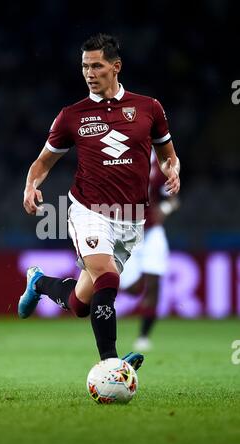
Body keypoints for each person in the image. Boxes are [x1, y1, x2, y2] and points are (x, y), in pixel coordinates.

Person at [18, 33, 180, 372]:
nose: (89, 73)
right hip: (88, 211)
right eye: (84, 66)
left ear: (116, 67)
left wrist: (172, 171)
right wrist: (31, 185)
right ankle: (111, 364)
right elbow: (43, 162)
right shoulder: (71, 116)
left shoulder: (149, 108)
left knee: (80, 304)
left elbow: (168, 156)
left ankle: (39, 283)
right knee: (108, 278)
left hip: (132, 219)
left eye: (97, 66)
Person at [120, 148, 180, 351]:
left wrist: (166, 209)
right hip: (127, 232)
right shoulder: (118, 155)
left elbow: (173, 198)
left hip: (152, 232)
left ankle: (144, 336)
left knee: (154, 283)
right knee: (134, 288)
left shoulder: (162, 162)